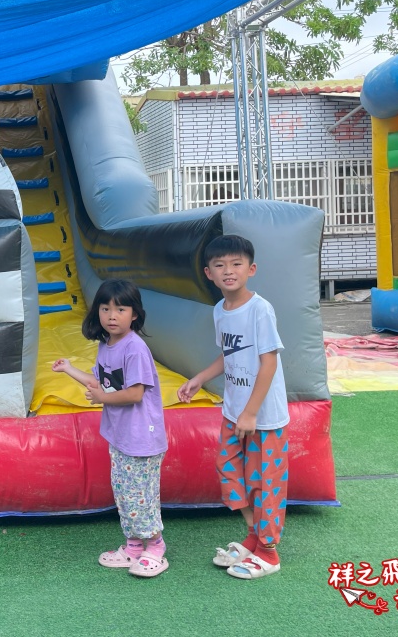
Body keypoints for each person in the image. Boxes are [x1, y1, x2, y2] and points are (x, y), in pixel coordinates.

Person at [177, 234, 289, 580]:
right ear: (208, 273)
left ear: (251, 269)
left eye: (236, 264)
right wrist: (200, 377)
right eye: (220, 265)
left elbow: (267, 363)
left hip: (263, 417)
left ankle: (268, 552)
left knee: (264, 481)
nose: (229, 271)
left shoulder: (260, 309)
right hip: (234, 411)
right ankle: (254, 537)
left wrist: (252, 412)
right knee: (229, 471)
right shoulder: (219, 311)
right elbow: (230, 355)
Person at [52, 279, 169, 577]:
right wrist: (68, 369)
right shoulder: (107, 345)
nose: (112, 315)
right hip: (120, 436)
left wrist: (103, 398)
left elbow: (134, 393)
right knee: (124, 493)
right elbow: (99, 383)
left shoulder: (135, 349)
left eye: (120, 309)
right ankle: (132, 547)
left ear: (135, 315)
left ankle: (155, 547)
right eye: (105, 308)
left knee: (141, 494)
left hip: (142, 437)